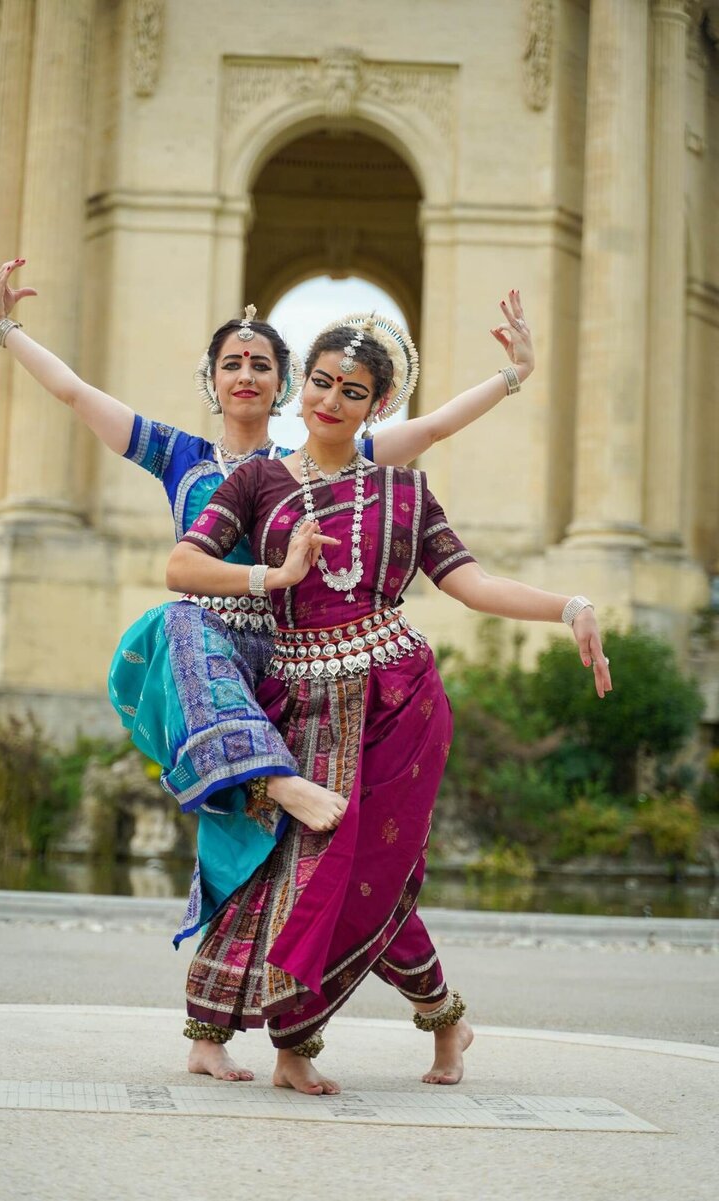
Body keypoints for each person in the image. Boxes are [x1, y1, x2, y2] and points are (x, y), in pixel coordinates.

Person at [165, 311, 611, 1096]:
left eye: (354, 391)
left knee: (356, 864)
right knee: (328, 867)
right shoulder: (256, 480)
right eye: (321, 382)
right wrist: (276, 574)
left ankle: (295, 1044)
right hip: (297, 696)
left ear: (378, 406)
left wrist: (568, 605)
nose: (331, 399)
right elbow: (181, 567)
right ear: (301, 386)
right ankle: (442, 1016)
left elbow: (470, 584)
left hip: (398, 698)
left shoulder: (404, 491)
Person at [0, 258, 535, 843]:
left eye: (261, 365)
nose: (246, 374)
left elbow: (432, 430)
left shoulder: (311, 463)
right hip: (206, 650)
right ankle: (267, 788)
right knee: (180, 625)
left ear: (284, 384)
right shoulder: (177, 457)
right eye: (232, 364)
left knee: (285, 846)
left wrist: (516, 373)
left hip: (283, 649)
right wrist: (4, 329)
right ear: (212, 380)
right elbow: (74, 394)